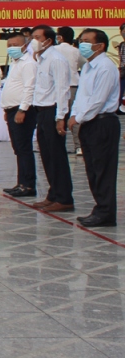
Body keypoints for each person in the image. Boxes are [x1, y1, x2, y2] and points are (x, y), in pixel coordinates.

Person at [68, 28, 120, 227]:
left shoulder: (105, 67)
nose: (83, 44)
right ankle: (100, 208)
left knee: (103, 169)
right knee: (93, 169)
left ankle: (106, 213)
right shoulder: (89, 66)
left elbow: (98, 100)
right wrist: (75, 114)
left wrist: (78, 118)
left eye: (87, 41)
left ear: (100, 45)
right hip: (89, 122)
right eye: (81, 40)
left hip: (102, 122)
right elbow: (83, 96)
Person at [30, 25, 74, 212]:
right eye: (33, 37)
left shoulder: (56, 59)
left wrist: (60, 117)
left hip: (53, 110)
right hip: (42, 110)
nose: (34, 41)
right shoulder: (42, 58)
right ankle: (53, 193)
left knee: (56, 155)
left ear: (49, 39)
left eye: (38, 37)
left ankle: (64, 198)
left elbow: (62, 89)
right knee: (46, 155)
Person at [0, 31, 38, 198]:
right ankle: (21, 182)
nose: (12, 48)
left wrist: (22, 109)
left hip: (22, 110)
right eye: (9, 46)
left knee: (24, 148)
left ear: (25, 45)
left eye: (15, 45)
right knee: (18, 148)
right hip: (12, 109)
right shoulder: (15, 62)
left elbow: (29, 88)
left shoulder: (28, 63)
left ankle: (28, 185)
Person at [55, 26, 85, 157]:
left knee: (58, 116)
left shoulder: (53, 50)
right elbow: (83, 65)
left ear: (60, 37)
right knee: (74, 117)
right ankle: (79, 146)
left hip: (57, 87)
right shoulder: (76, 51)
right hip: (73, 85)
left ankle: (57, 145)